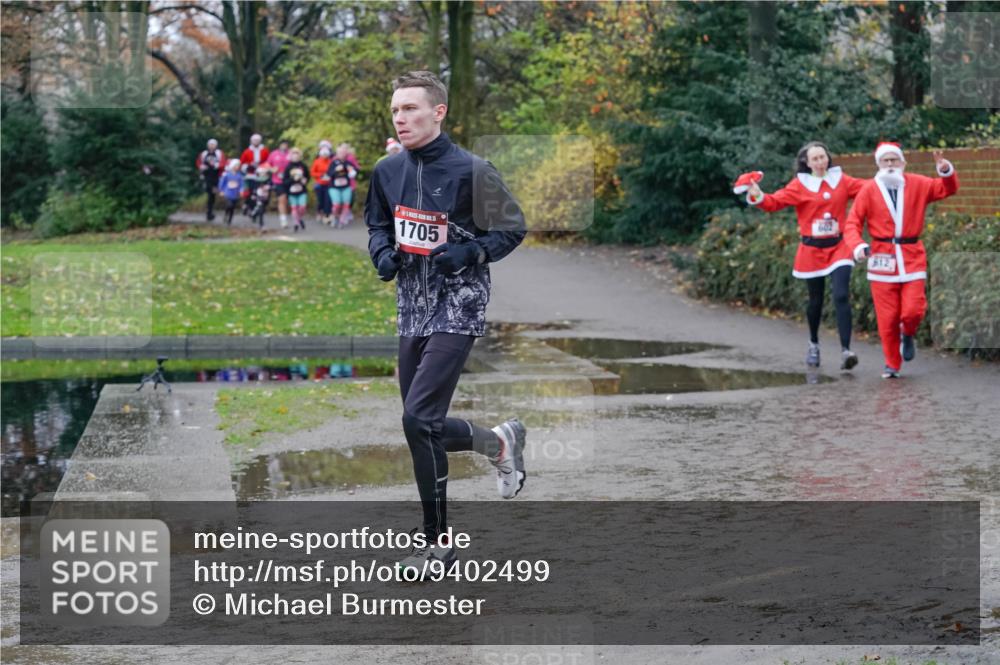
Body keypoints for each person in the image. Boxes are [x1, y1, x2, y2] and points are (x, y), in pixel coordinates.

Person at [365, 71, 528, 573]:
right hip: (411, 306)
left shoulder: (472, 170)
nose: (400, 117)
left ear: (438, 112)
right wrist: (382, 255)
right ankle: (499, 442)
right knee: (424, 425)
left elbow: (512, 228)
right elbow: (377, 225)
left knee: (418, 420)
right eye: (395, 109)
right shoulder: (387, 171)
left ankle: (437, 544)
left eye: (411, 108)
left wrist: (469, 252)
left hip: (459, 302)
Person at [742, 142, 867, 370]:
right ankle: (813, 343)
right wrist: (758, 196)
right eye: (815, 159)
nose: (820, 162)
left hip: (839, 247)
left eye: (823, 157)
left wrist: (892, 178)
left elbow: (869, 189)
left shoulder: (842, 180)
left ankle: (846, 350)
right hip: (812, 250)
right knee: (815, 301)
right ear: (807, 163)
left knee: (840, 295)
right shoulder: (800, 184)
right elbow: (775, 202)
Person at [844, 143, 959, 379]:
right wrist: (858, 246)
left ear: (903, 163)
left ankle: (908, 333)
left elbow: (947, 189)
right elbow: (852, 223)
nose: (889, 165)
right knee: (887, 319)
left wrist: (946, 171)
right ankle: (892, 364)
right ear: (878, 164)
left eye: (893, 161)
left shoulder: (918, 183)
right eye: (885, 161)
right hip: (881, 258)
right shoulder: (869, 190)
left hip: (911, 255)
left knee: (913, 310)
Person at [326, 146, 358, 228]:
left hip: (346, 187)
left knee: (346, 205)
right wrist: (335, 170)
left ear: (346, 154)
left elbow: (354, 174)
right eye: (340, 153)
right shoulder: (333, 163)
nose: (342, 154)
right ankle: (334, 217)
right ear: (337, 154)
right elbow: (328, 175)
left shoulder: (348, 163)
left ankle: (342, 220)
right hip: (334, 187)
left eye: (343, 153)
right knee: (337, 204)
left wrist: (352, 171)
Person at [195, 138, 225, 221]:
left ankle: (210, 210)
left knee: (213, 194)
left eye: (213, 144)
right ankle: (209, 211)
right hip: (207, 176)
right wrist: (202, 167)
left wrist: (216, 165)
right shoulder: (204, 153)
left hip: (216, 176)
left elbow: (223, 163)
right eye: (210, 144)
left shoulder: (219, 153)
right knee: (209, 192)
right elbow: (199, 162)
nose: (212, 146)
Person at [283, 147, 310, 232]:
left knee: (302, 207)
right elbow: (285, 180)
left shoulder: (303, 166)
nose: (295, 157)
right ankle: (296, 223)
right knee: (294, 208)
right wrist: (292, 180)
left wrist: (305, 180)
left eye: (297, 155)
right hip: (291, 191)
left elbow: (308, 176)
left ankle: (299, 218)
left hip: (302, 190)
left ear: (299, 156)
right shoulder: (288, 167)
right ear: (291, 156)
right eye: (293, 155)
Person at [267, 140, 291, 228]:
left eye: (286, 145)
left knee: (288, 200)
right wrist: (272, 169)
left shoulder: (291, 154)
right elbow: (267, 165)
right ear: (280, 145)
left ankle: (295, 216)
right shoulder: (274, 154)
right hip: (278, 180)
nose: (284, 146)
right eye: (283, 145)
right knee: (282, 199)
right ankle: (283, 220)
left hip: (289, 180)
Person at [311, 142, 334, 225]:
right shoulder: (317, 161)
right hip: (320, 183)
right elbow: (312, 172)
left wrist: (329, 175)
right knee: (320, 199)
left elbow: (333, 171)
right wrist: (320, 175)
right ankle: (319, 211)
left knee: (328, 199)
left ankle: (326, 215)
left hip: (329, 183)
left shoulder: (331, 161)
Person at [218, 159, 244, 225]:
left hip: (235, 193)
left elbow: (241, 184)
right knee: (229, 205)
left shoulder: (239, 176)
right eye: (236, 165)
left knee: (233, 207)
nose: (237, 167)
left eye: (238, 165)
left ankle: (230, 220)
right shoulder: (227, 175)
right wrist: (221, 190)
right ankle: (226, 214)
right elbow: (222, 183)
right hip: (228, 192)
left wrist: (241, 191)